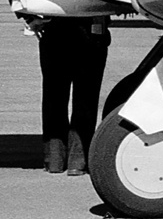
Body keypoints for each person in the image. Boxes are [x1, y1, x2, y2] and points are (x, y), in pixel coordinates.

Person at [36, 15, 111, 175]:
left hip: (53, 30)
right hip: (90, 31)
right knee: (85, 97)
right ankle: (78, 159)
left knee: (53, 96)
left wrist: (30, 19)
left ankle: (54, 158)